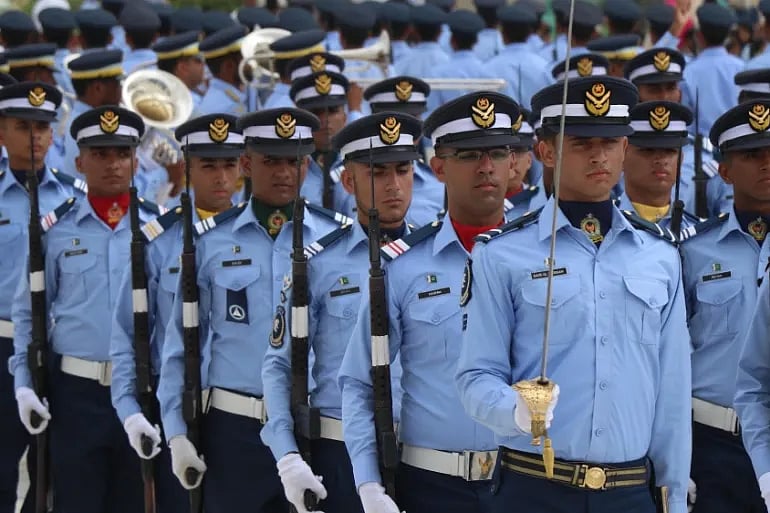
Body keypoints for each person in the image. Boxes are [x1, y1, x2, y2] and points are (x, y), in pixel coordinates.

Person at [456, 76, 691, 513]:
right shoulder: (502, 254)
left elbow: (672, 393)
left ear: (625, 148)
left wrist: (673, 497)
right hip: (535, 486)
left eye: (609, 142)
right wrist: (516, 410)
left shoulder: (659, 256)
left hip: (629, 491)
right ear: (546, 151)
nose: (598, 155)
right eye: (581, 143)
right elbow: (474, 377)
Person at [339, 91, 523, 513]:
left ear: (513, 163)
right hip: (433, 485)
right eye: (468, 155)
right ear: (438, 167)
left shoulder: (545, 259)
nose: (486, 167)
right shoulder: (401, 267)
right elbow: (359, 381)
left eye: (497, 152)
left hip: (527, 480)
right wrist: (368, 482)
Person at [157, 107, 346, 513]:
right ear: (246, 164)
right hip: (236, 429)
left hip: (316, 427)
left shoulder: (338, 240)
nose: (283, 172)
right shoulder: (210, 243)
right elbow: (180, 343)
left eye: (293, 161)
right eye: (270, 161)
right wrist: (175, 431)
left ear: (308, 165)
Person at [262, 110, 420, 513]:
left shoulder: (434, 257)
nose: (394, 185)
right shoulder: (317, 263)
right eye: (377, 173)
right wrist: (287, 454)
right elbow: (279, 364)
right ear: (348, 181)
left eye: (402, 170)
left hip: (423, 454)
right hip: (340, 449)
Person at [11, 102, 162, 513]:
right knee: (75, 499)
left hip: (142, 388)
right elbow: (28, 314)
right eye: (100, 154)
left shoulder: (160, 229)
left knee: (131, 501)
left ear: (135, 160)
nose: (112, 164)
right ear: (79, 161)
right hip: (76, 393)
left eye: (122, 154)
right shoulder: (54, 231)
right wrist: (24, 382)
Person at [109, 113, 245, 513]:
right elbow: (127, 334)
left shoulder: (260, 241)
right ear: (187, 169)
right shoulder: (156, 242)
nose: (221, 177)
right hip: (173, 412)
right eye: (208, 166)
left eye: (228, 165)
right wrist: (130, 410)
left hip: (236, 414)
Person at [0, 78, 85, 513]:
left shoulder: (75, 197)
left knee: (54, 468)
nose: (35, 137)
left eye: (43, 127)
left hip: (57, 350)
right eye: (22, 125)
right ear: (1, 131)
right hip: (2, 343)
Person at [709, 101, 770, 513]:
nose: (767, 165)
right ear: (725, 171)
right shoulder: (693, 252)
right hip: (717, 442)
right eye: (752, 156)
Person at [618, 101, 700, 232]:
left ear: (681, 159)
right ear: (622, 156)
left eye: (670, 151)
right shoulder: (605, 225)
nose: (661, 160)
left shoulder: (696, 234)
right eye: (648, 150)